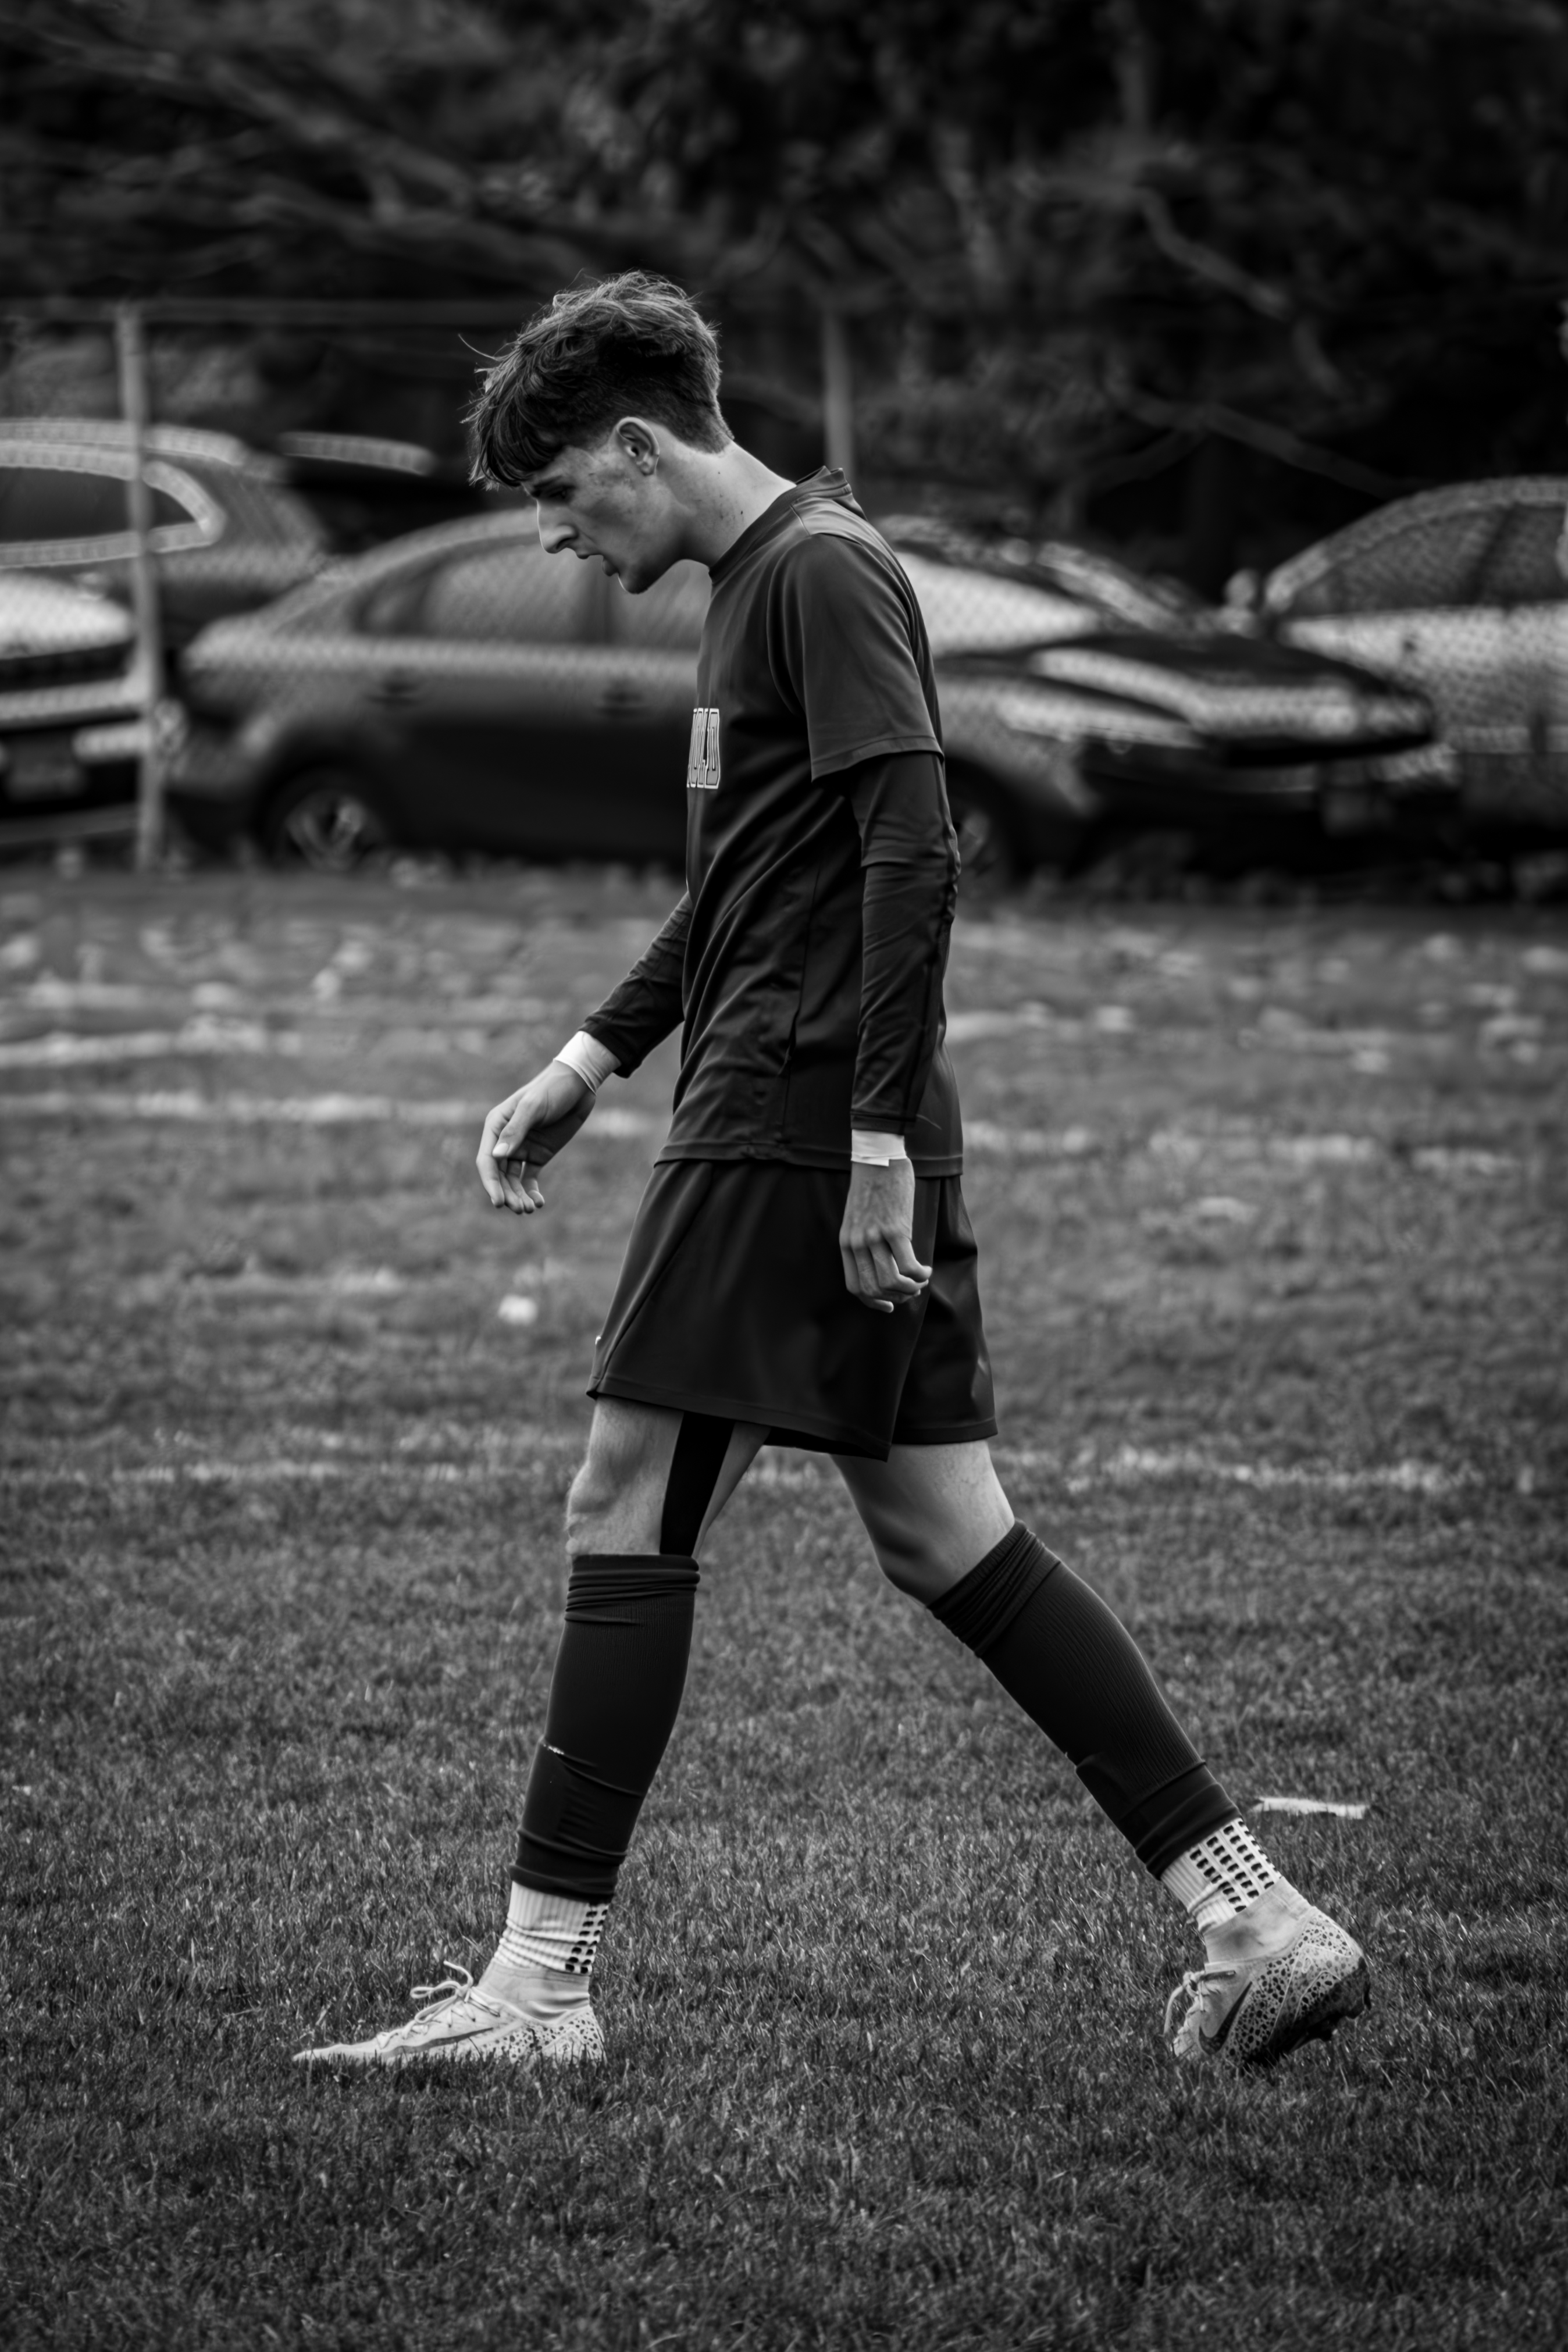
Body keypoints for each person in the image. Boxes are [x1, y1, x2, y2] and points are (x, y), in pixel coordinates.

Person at [295, 274, 1369, 2075]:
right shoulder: (753, 590)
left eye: (562, 493)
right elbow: (749, 891)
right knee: (945, 1527)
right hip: (801, 1096)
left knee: (621, 1492)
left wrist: (869, 1139)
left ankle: (537, 1988)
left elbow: (912, 850)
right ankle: (1260, 1912)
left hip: (797, 1117)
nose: (557, 536)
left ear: (640, 444)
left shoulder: (819, 570)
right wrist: (588, 1057)